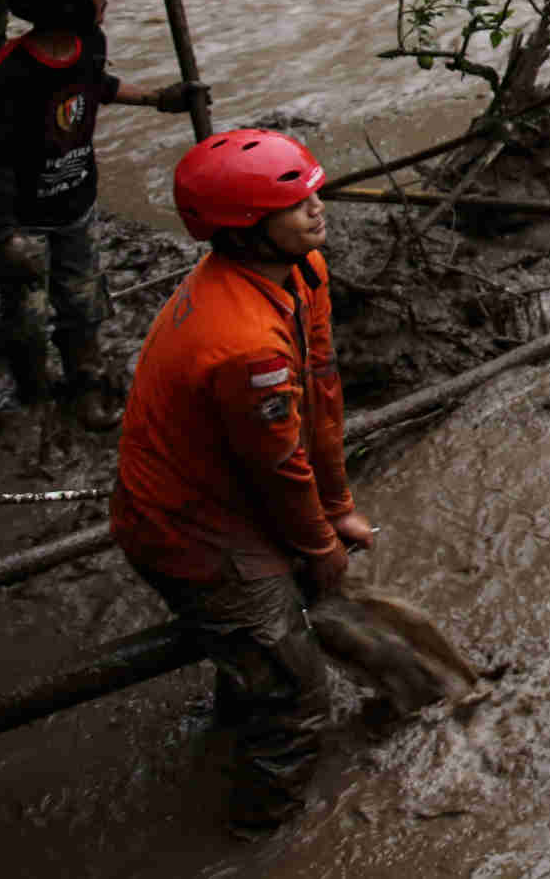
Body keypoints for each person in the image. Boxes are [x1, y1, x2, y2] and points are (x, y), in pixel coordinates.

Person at [113, 129, 370, 838]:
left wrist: (339, 505)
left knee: (269, 648)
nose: (317, 209)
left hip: (229, 489)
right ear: (245, 228)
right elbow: (277, 467)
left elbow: (322, 391)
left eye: (313, 193)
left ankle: (239, 698)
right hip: (189, 525)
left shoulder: (303, 271)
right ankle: (259, 835)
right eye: (295, 204)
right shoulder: (244, 342)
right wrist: (320, 545)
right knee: (299, 699)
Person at [0, 0, 204, 427]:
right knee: (27, 311)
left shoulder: (89, 44)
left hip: (75, 202)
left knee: (83, 298)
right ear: (65, 2)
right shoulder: (8, 71)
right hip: (22, 217)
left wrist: (157, 99)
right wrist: (4, 233)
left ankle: (86, 383)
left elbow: (96, 86)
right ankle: (34, 394)